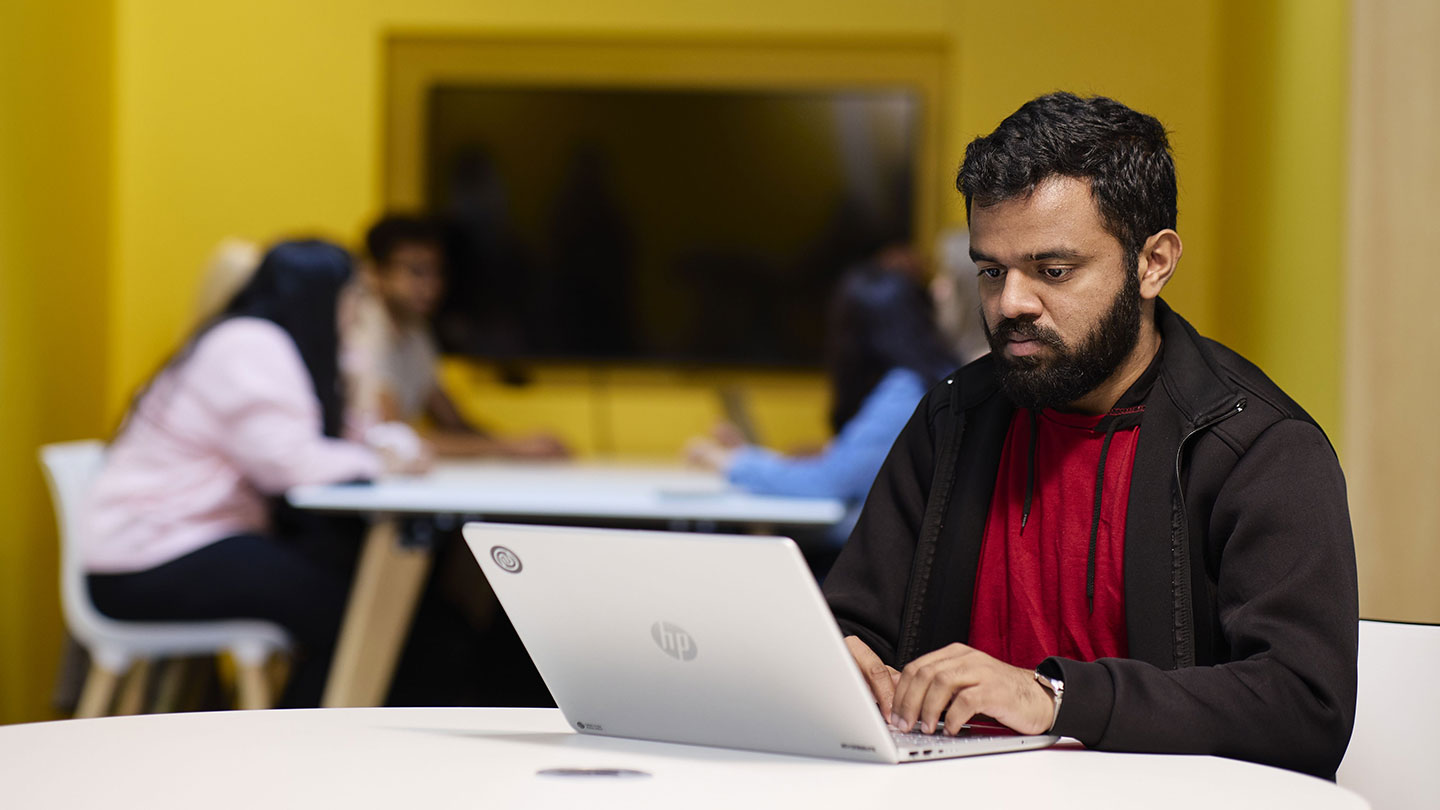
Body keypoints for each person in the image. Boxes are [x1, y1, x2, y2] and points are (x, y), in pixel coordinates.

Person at [824, 93, 1358, 779]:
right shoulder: (952, 420)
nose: (1011, 303)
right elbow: (856, 622)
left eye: (1053, 271)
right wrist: (840, 654)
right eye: (991, 271)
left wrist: (1055, 699)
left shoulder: (1257, 448)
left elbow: (1304, 706)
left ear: (1153, 263)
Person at [85, 240, 425, 707]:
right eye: (355, 298)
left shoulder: (283, 348)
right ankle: (304, 745)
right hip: (149, 558)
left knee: (365, 587)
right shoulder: (249, 345)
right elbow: (291, 467)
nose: (360, 313)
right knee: (358, 607)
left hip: (191, 540)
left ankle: (319, 735)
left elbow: (351, 442)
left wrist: (359, 367)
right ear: (323, 294)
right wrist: (380, 460)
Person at [688, 259, 957, 543]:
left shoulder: (908, 390)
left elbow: (831, 482)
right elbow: (844, 469)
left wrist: (732, 463)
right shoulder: (929, 378)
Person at [344, 214, 567, 458]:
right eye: (416, 271)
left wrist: (516, 445)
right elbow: (391, 437)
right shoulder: (362, 328)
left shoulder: (414, 328)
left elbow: (448, 418)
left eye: (437, 271)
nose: (430, 285)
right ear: (375, 273)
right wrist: (509, 448)